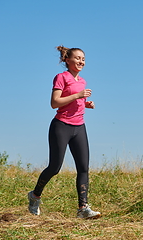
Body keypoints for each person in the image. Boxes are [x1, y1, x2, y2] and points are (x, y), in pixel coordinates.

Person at [28, 45, 101, 219]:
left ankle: (83, 208)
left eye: (83, 59)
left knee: (83, 168)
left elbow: (75, 102)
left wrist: (85, 104)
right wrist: (78, 96)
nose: (81, 61)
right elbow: (55, 102)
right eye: (77, 58)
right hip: (61, 126)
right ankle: (35, 195)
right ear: (67, 60)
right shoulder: (61, 77)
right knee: (55, 167)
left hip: (79, 127)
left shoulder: (82, 82)